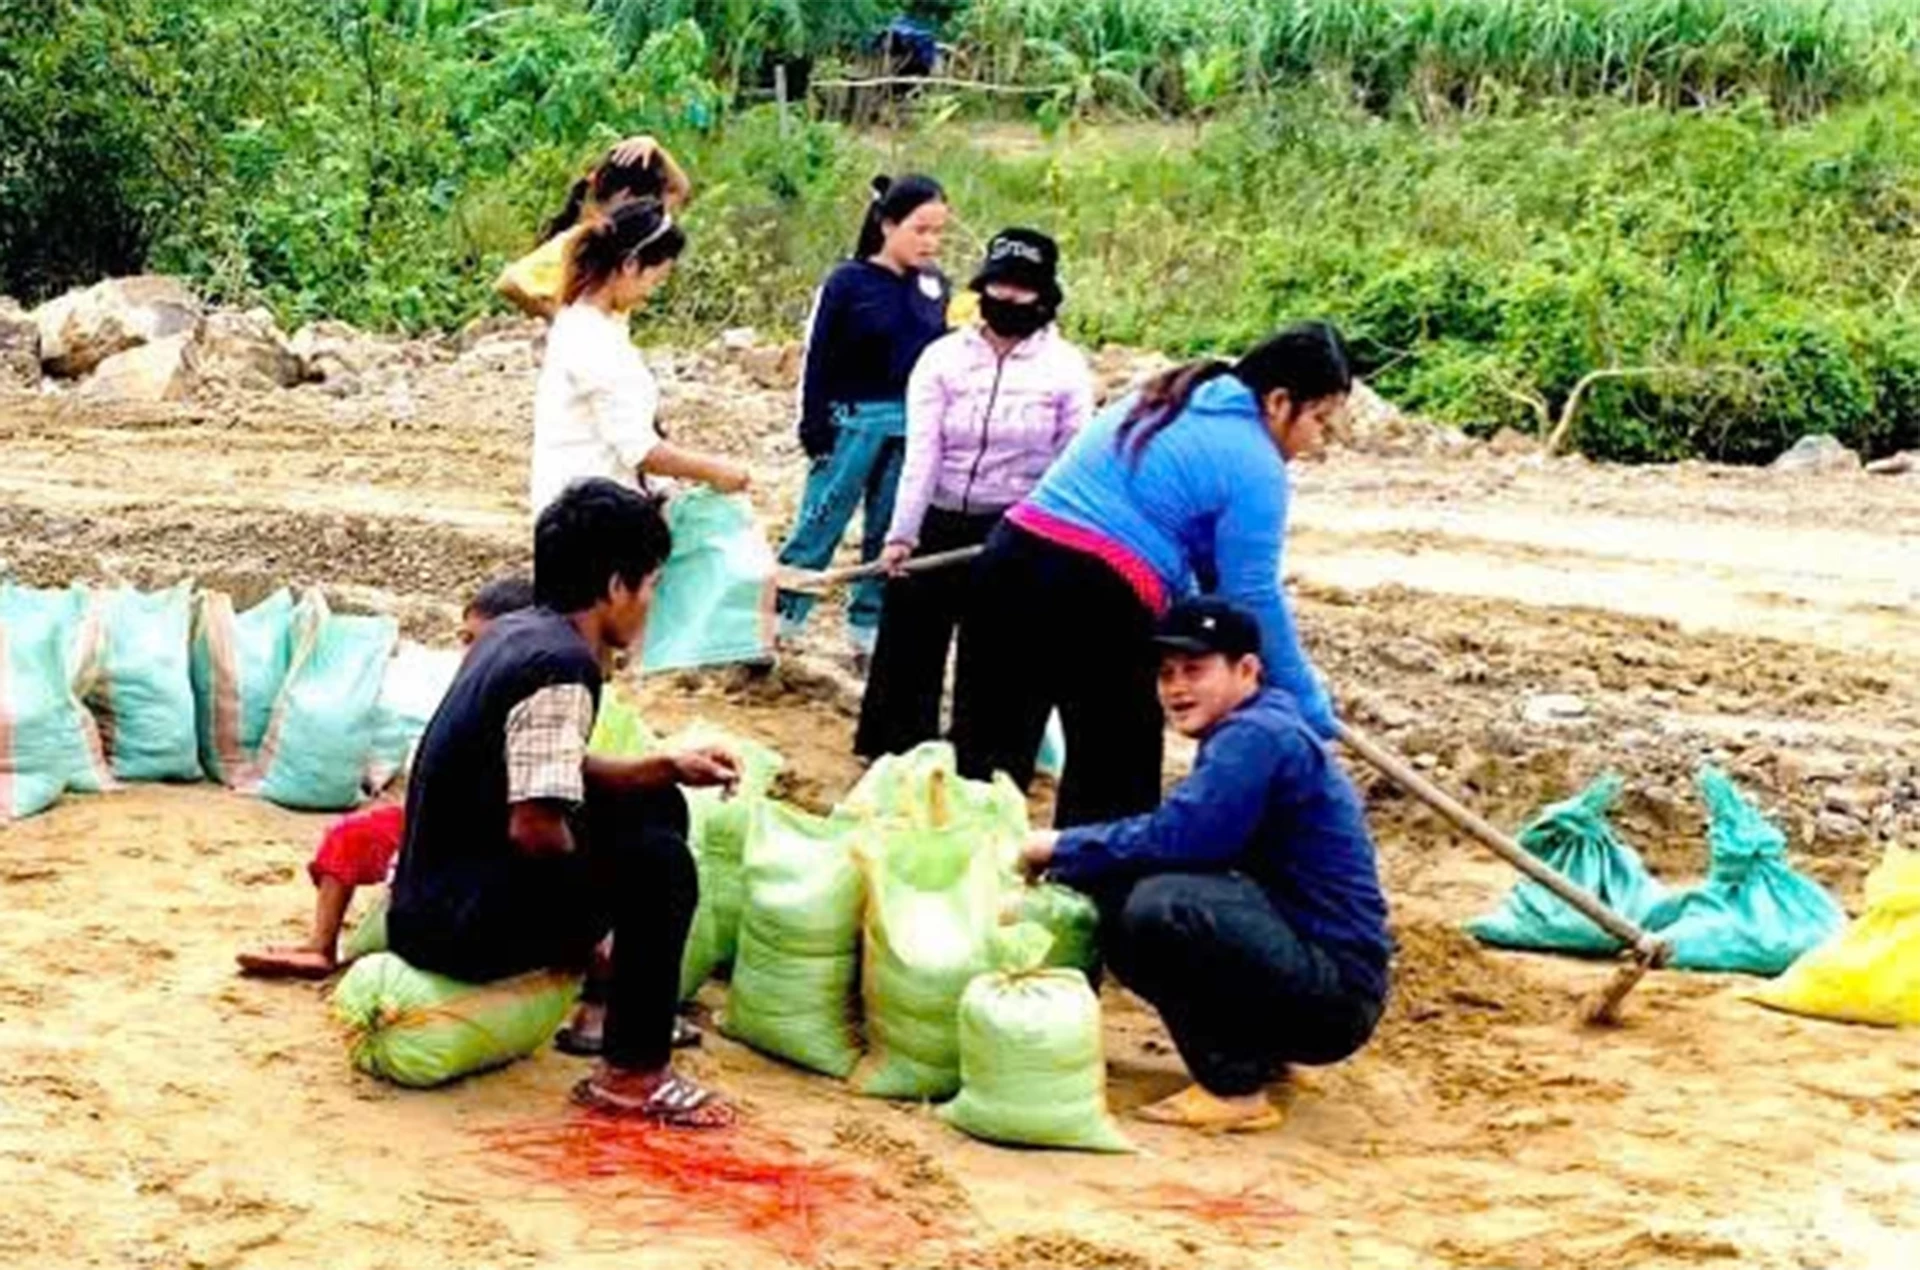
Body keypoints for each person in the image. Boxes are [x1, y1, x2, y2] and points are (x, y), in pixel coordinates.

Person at [386, 478, 740, 1126]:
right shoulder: (561, 667)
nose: (650, 603)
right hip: (454, 925)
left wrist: (663, 767)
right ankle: (632, 1076)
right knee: (661, 868)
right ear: (614, 587)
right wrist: (600, 933)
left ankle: (606, 1015)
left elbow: (539, 768)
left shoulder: (516, 630)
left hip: (426, 895)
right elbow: (535, 827)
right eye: (651, 585)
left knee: (655, 806)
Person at [952, 321, 1352, 828]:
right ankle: (1090, 895)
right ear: (1277, 401)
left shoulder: (1172, 395)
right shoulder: (1255, 463)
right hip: (1094, 595)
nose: (1318, 440)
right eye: (1318, 419)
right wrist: (1306, 702)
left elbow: (1212, 579)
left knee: (983, 765)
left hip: (1006, 561)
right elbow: (1252, 594)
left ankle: (954, 892)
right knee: (1113, 778)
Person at [1020, 599, 1390, 1134]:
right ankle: (1260, 1053)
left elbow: (1180, 836)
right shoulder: (1254, 728)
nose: (1176, 688)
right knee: (1136, 888)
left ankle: (1235, 1087)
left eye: (1195, 670)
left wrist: (1056, 846)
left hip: (1333, 997)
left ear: (1247, 670)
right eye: (1166, 674)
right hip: (1325, 981)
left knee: (1159, 907)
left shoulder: (1254, 738)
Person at [854, 228, 1091, 759]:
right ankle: (894, 755)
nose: (1006, 299)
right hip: (940, 517)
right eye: (998, 287)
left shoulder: (1065, 370)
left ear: (1045, 298)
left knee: (999, 657)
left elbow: (1071, 466)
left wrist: (1049, 543)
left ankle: (983, 766)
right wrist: (902, 534)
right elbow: (923, 454)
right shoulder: (942, 359)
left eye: (1021, 289)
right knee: (909, 645)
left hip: (1016, 529)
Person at [234, 576, 537, 981]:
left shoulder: (536, 692)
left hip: (486, 831)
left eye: (480, 644)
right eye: (466, 640)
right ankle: (319, 946)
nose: (470, 653)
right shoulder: (467, 688)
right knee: (352, 837)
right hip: (436, 817)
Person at [775, 174, 952, 660]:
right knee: (821, 520)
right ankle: (781, 622)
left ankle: (867, 629)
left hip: (911, 425)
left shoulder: (936, 287)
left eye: (938, 232)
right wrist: (813, 422)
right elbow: (819, 356)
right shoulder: (848, 283)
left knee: (891, 529)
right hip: (852, 421)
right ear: (888, 224)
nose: (930, 242)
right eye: (920, 230)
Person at [530, 199, 750, 514]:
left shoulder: (585, 321)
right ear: (631, 264)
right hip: (590, 520)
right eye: (654, 280)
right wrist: (715, 470)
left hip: (583, 507)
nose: (649, 293)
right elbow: (639, 450)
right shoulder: (594, 339)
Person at [497, 135, 693, 320]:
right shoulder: (580, 241)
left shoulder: (627, 236)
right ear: (626, 196)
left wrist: (653, 147)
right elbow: (510, 282)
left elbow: (679, 190)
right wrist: (562, 322)